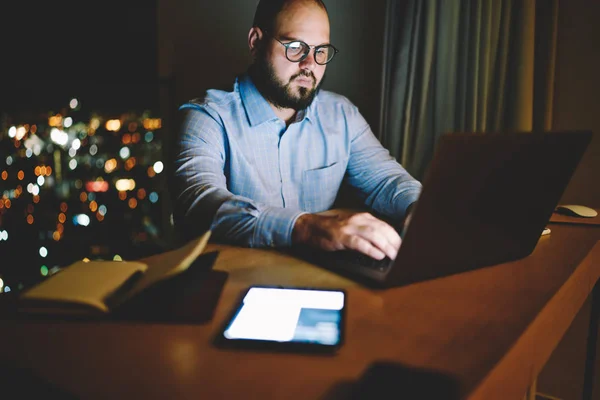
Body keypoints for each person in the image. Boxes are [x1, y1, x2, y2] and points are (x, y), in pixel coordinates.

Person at [169, 0, 422, 261]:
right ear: (255, 41)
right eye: (295, 47)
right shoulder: (207, 117)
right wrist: (305, 227)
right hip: (232, 282)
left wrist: (420, 210)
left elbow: (386, 180)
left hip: (319, 280)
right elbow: (200, 204)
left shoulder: (341, 115)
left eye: (320, 51)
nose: (310, 64)